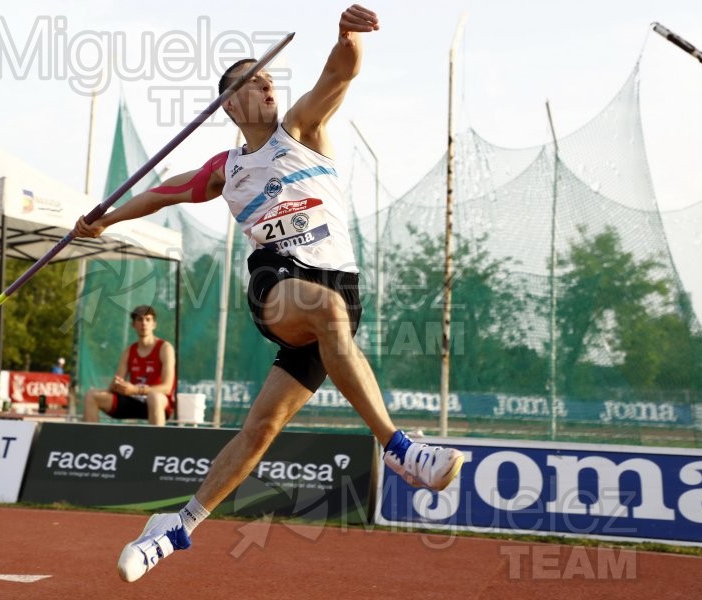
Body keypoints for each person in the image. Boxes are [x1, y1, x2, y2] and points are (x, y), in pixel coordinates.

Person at [73, 5, 464, 583]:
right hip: (276, 284)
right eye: (252, 80)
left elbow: (341, 72)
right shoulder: (225, 168)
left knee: (262, 428)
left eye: (269, 77)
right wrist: (104, 221)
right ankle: (400, 448)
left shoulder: (302, 129)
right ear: (229, 105)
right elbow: (160, 195)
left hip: (338, 295)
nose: (266, 83)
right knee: (325, 311)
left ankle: (176, 526)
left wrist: (348, 36)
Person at [82, 305, 176, 426]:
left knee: (155, 397)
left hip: (158, 402)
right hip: (133, 399)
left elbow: (167, 388)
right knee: (91, 395)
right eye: (139, 319)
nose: (144, 323)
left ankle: (156, 444)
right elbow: (116, 386)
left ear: (154, 324)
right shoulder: (128, 351)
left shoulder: (165, 348)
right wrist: (117, 385)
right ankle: (91, 443)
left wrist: (135, 389)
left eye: (148, 319)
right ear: (133, 325)